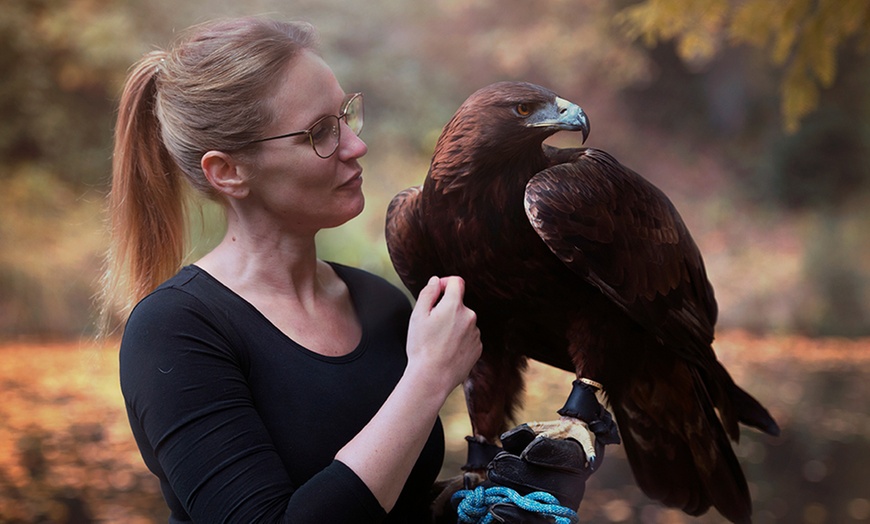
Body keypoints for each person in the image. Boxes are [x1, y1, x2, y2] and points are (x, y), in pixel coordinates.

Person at [101, 16, 601, 523]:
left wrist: (478, 502)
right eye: (319, 133)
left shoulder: (376, 302)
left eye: (345, 116)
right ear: (228, 172)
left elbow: (389, 503)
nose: (355, 145)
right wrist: (427, 380)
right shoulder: (174, 330)